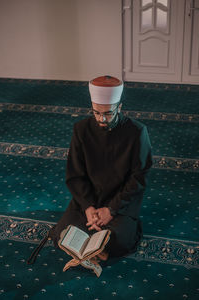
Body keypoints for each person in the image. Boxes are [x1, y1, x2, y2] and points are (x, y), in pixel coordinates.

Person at [49, 75, 152, 257]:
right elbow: (75, 174)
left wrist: (111, 210)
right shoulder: (81, 130)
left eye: (108, 113)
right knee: (61, 236)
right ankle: (94, 227)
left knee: (119, 242)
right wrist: (89, 207)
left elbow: (139, 177)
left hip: (121, 202)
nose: (102, 119)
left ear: (119, 107)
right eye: (96, 113)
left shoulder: (137, 132)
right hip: (89, 199)